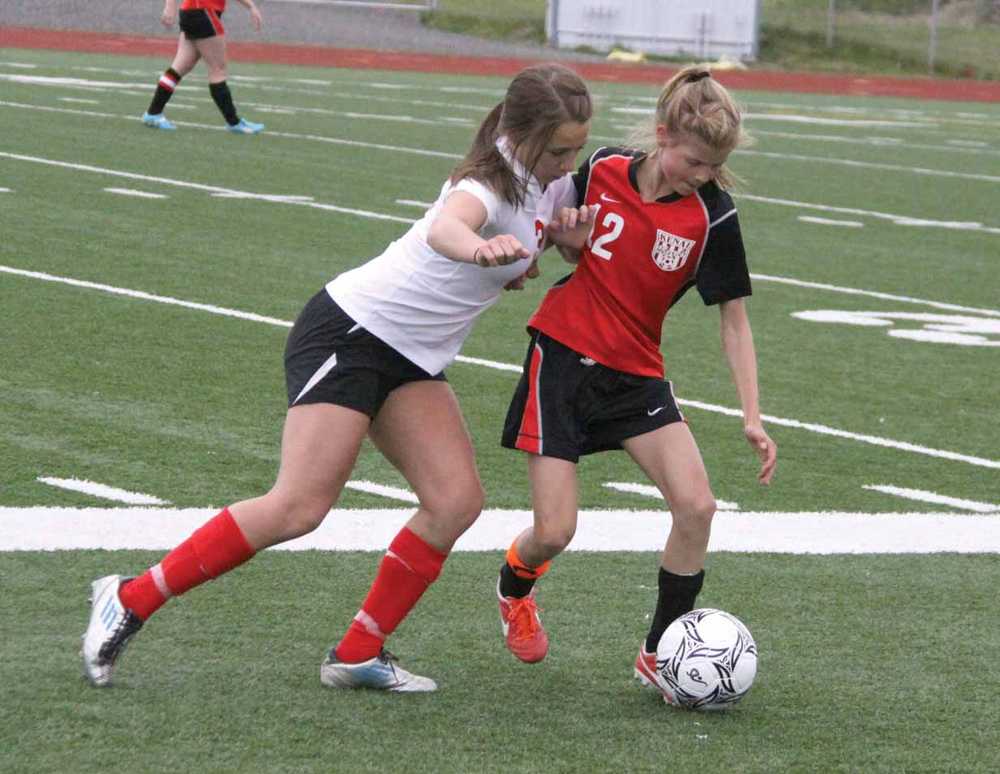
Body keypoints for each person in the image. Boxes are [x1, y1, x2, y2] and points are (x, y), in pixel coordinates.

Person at [82, 63, 592, 692]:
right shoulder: (487, 182)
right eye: (561, 150)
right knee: (298, 507)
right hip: (352, 333)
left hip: (412, 360)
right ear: (523, 135)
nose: (570, 165)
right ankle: (129, 598)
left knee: (455, 503)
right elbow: (446, 226)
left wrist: (567, 242)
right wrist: (477, 249)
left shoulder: (551, 185)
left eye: (578, 150)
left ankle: (357, 652)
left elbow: (550, 241)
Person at [493, 64, 777, 704]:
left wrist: (752, 416)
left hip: (637, 373)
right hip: (563, 357)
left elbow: (735, 320)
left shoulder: (713, 216)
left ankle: (658, 652)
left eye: (711, 166)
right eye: (693, 160)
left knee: (698, 507)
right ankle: (514, 586)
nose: (701, 175)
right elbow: (570, 250)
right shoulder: (602, 168)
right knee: (556, 530)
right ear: (660, 135)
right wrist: (569, 242)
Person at [141, 0, 265, 134]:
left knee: (181, 66)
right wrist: (169, 7)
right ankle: (234, 122)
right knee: (218, 70)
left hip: (193, 11)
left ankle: (153, 113)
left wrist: (250, 6)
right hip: (203, 10)